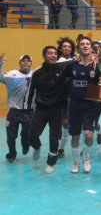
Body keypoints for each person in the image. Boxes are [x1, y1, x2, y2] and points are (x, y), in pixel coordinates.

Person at [25, 46, 69, 174]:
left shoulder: (62, 68)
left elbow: (75, 60)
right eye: (50, 53)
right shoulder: (37, 73)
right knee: (32, 135)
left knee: (54, 137)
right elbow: (31, 92)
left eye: (55, 53)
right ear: (44, 56)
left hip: (57, 109)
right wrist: (28, 109)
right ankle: (37, 146)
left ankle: (51, 162)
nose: (53, 55)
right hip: (41, 109)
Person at [67, 36, 101, 173]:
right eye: (82, 44)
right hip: (74, 104)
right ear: (78, 48)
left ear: (91, 48)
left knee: (89, 135)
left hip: (90, 104)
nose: (85, 46)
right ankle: (75, 162)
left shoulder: (97, 65)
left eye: (87, 44)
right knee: (75, 136)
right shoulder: (72, 64)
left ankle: (86, 158)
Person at [0, 53, 33, 163]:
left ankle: (26, 145)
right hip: (14, 112)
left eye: (28, 61)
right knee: (10, 137)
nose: (25, 63)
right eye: (23, 61)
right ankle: (12, 154)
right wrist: (0, 64)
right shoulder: (11, 75)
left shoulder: (35, 75)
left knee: (26, 133)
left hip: (28, 111)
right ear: (19, 63)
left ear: (31, 63)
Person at [56, 37, 76, 158]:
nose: (67, 48)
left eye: (69, 47)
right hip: (59, 96)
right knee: (60, 123)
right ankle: (59, 148)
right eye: (65, 46)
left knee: (66, 123)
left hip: (73, 95)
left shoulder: (76, 59)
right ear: (61, 48)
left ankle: (61, 149)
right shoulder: (57, 61)